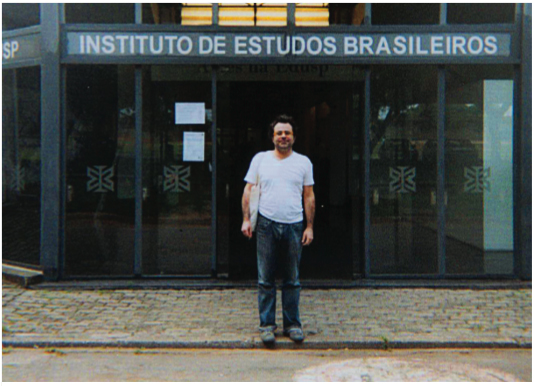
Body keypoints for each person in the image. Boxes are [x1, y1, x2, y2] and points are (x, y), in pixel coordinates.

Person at [241, 114, 315, 345]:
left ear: (294, 137)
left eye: (287, 133)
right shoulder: (260, 160)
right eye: (279, 133)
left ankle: (293, 325)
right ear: (272, 137)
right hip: (266, 224)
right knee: (266, 278)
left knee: (292, 278)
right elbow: (248, 190)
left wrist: (309, 226)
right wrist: (246, 219)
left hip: (294, 225)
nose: (283, 137)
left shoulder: (303, 162)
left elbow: (309, 195)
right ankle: (267, 326)